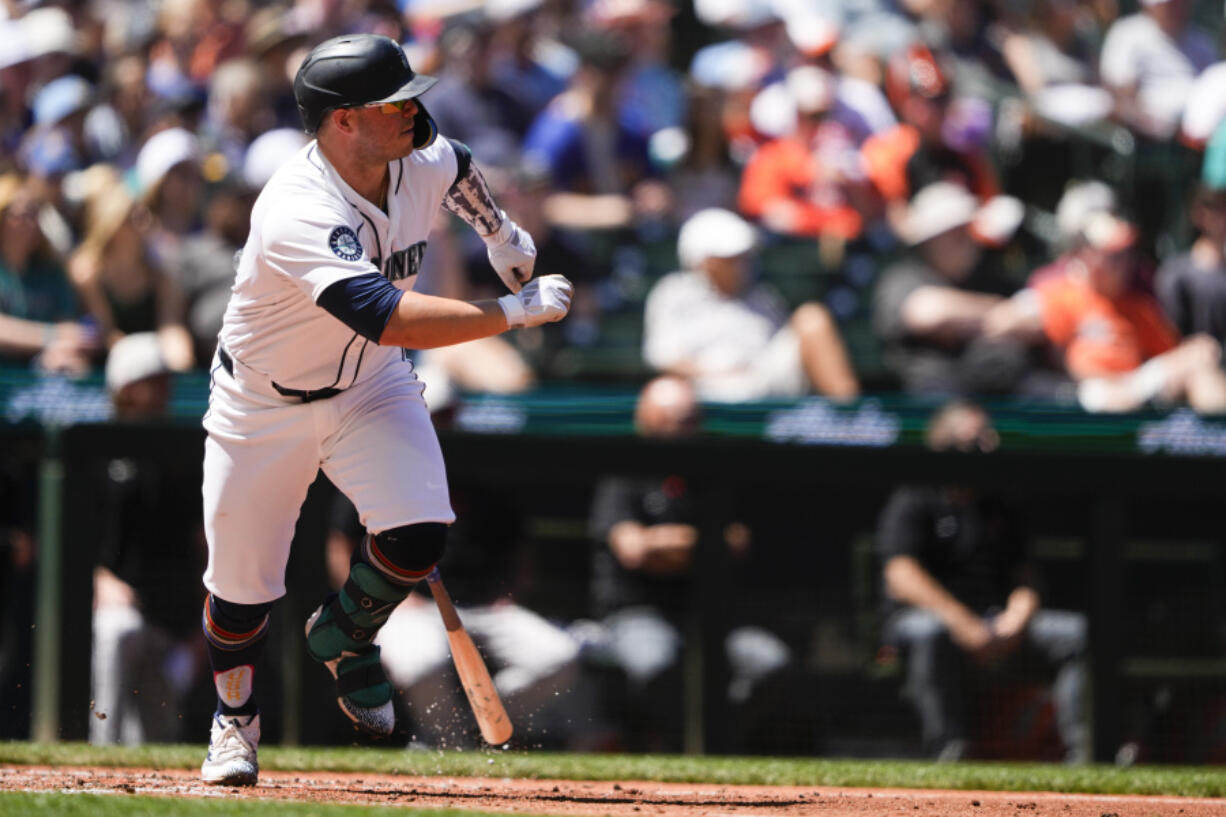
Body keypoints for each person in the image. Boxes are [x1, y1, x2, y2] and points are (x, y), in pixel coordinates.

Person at [197, 34, 572, 786]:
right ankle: (234, 722)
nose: (413, 109)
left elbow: (457, 161)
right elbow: (383, 314)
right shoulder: (296, 206)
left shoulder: (414, 148)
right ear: (342, 121)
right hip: (263, 401)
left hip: (369, 384)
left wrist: (499, 232)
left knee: (420, 530)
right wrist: (513, 310)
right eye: (392, 102)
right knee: (240, 594)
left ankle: (346, 635)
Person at [583, 375, 791, 751]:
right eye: (677, 420)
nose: (687, 429)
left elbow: (736, 542)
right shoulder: (626, 472)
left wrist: (666, 545)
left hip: (706, 614)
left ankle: (715, 743)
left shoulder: (710, 468)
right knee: (658, 663)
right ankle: (673, 744)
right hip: (637, 611)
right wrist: (701, 544)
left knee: (768, 661)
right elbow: (634, 550)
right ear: (649, 421)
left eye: (692, 419)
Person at [876, 400, 1089, 763]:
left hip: (997, 623)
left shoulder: (999, 502)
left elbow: (1025, 576)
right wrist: (962, 623)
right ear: (947, 445)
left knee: (1078, 633)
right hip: (933, 623)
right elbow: (901, 576)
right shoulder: (915, 496)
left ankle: (1085, 754)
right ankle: (949, 749)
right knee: (930, 632)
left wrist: (1016, 618)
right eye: (978, 441)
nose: (990, 447)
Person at [91, 333, 206, 745]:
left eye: (164, 379)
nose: (163, 389)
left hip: (172, 626)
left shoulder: (183, 456)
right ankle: (99, 751)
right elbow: (76, 542)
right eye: (151, 380)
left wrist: (202, 632)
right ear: (125, 388)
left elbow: (203, 547)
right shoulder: (94, 451)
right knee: (116, 628)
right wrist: (99, 578)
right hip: (122, 615)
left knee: (155, 745)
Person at [642, 207, 859, 402]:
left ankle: (852, 417)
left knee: (812, 318)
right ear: (703, 262)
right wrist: (716, 372)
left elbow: (779, 357)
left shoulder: (761, 295)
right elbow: (662, 357)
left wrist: (748, 373)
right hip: (706, 389)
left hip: (763, 382)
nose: (742, 263)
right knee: (665, 397)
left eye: (743, 256)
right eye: (730, 258)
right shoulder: (672, 293)